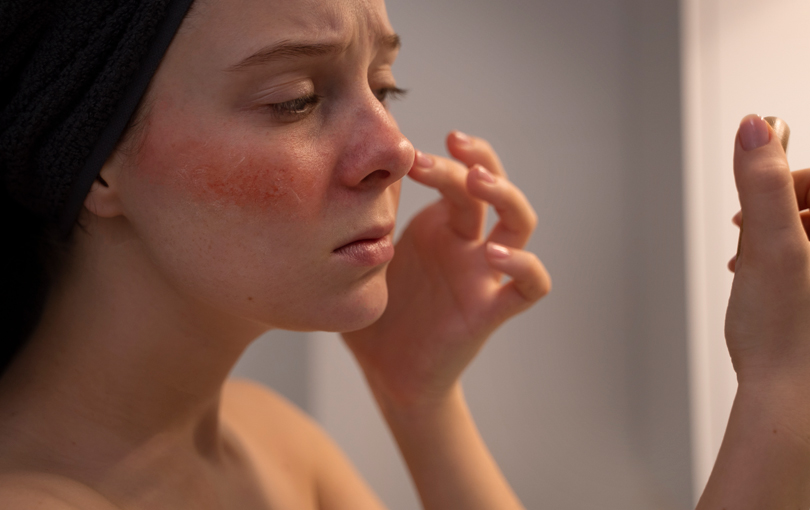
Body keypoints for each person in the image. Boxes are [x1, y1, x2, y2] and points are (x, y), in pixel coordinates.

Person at [0, 2, 807, 510]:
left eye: (384, 88)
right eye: (296, 100)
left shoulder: (272, 445)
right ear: (94, 157)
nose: (392, 148)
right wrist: (783, 387)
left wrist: (420, 399)